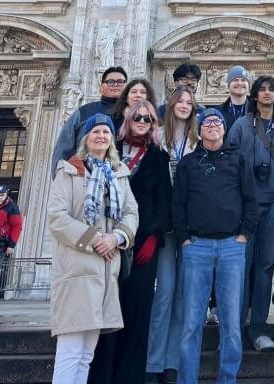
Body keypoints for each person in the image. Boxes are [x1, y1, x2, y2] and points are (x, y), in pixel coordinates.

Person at [48, 113, 139, 384]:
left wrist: (118, 238)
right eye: (95, 131)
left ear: (112, 139)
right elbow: (57, 218)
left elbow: (131, 213)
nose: (101, 136)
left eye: (106, 132)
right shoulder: (68, 171)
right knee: (71, 350)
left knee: (87, 353)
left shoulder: (119, 174)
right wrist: (95, 239)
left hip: (107, 271)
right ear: (85, 138)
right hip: (78, 269)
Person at [172, 107, 258, 384]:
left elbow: (250, 200)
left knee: (231, 323)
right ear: (199, 130)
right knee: (191, 324)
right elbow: (178, 204)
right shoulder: (188, 163)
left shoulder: (238, 159)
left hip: (232, 247)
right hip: (196, 247)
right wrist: (184, 238)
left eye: (217, 122)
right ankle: (187, 380)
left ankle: (227, 379)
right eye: (207, 122)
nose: (212, 125)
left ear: (224, 129)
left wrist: (243, 234)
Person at [100, 101, 172, 384]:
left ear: (154, 124)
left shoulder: (157, 156)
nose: (142, 121)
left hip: (143, 242)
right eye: (137, 117)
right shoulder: (109, 153)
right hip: (107, 240)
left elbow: (164, 201)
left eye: (148, 118)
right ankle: (102, 374)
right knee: (107, 309)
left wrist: (154, 237)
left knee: (137, 310)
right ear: (128, 119)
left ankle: (129, 378)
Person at [227, 75, 274, 351]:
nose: (266, 94)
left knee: (266, 268)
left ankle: (259, 327)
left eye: (271, 90)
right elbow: (228, 162)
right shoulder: (242, 125)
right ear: (255, 96)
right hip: (245, 205)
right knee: (240, 267)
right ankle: (232, 329)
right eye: (262, 90)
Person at [147, 85, 199, 383]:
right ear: (171, 105)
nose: (184, 105)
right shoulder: (157, 138)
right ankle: (153, 363)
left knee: (184, 297)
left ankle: (171, 364)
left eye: (189, 102)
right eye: (179, 101)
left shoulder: (198, 139)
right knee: (165, 293)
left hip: (191, 228)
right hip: (167, 228)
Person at [51, 66, 128, 177]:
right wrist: (61, 181)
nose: (115, 85)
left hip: (125, 184)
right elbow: (62, 150)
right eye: (110, 82)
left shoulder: (137, 117)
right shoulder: (83, 113)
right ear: (101, 87)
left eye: (120, 82)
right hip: (85, 180)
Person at [218, 66, 251, 133]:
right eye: (235, 80)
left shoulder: (257, 110)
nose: (239, 83)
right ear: (228, 85)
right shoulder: (219, 112)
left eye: (243, 80)